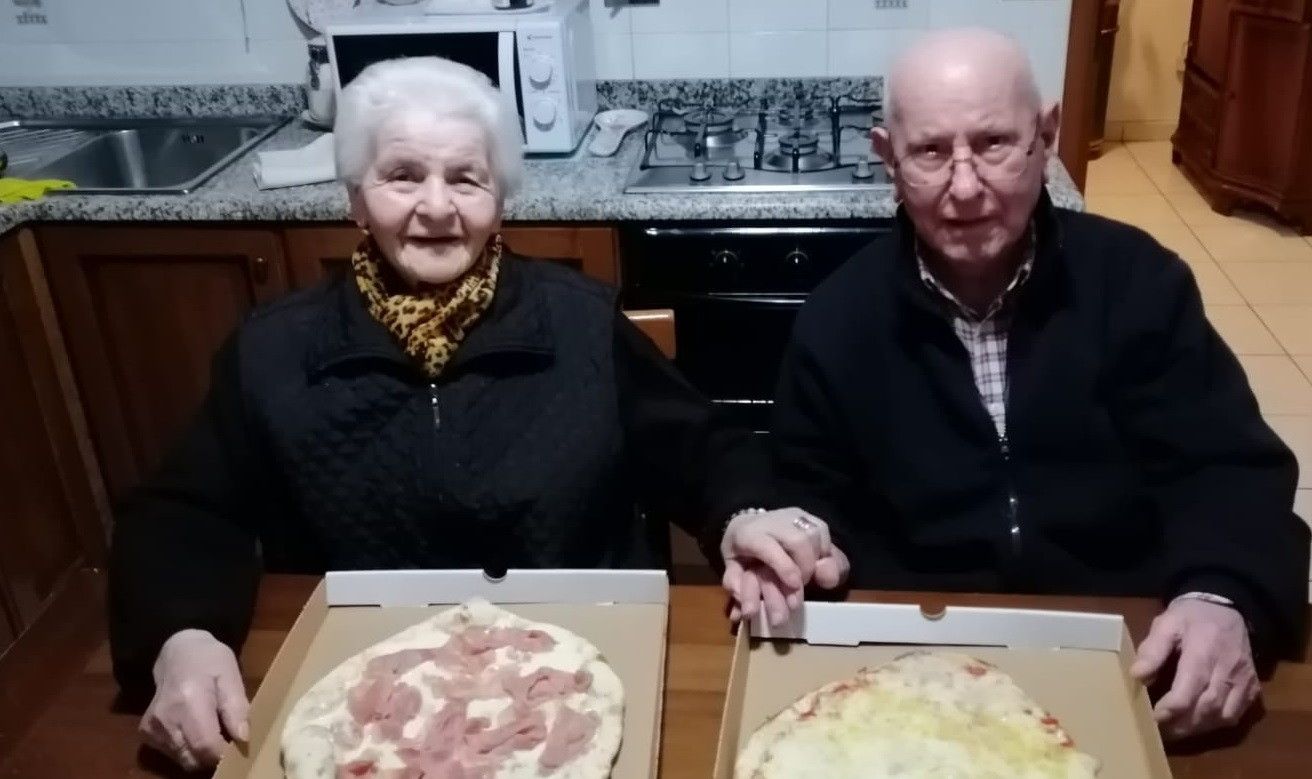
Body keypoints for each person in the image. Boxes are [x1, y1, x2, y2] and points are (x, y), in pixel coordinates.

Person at [109, 56, 845, 771]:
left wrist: (744, 516)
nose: (437, 207)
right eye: (403, 175)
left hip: (571, 673)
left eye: (466, 178)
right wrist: (181, 635)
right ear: (355, 199)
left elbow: (704, 449)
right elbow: (182, 512)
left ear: (500, 200)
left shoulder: (581, 323)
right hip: (369, 705)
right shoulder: (273, 351)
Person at [759, 29, 1309, 740]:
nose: (964, 188)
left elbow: (1228, 469)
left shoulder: (1140, 283)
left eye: (993, 143)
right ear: (888, 158)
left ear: (1045, 137)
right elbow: (807, 498)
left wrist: (1221, 595)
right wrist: (804, 546)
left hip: (1127, 650)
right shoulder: (837, 319)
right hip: (914, 678)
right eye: (931, 152)